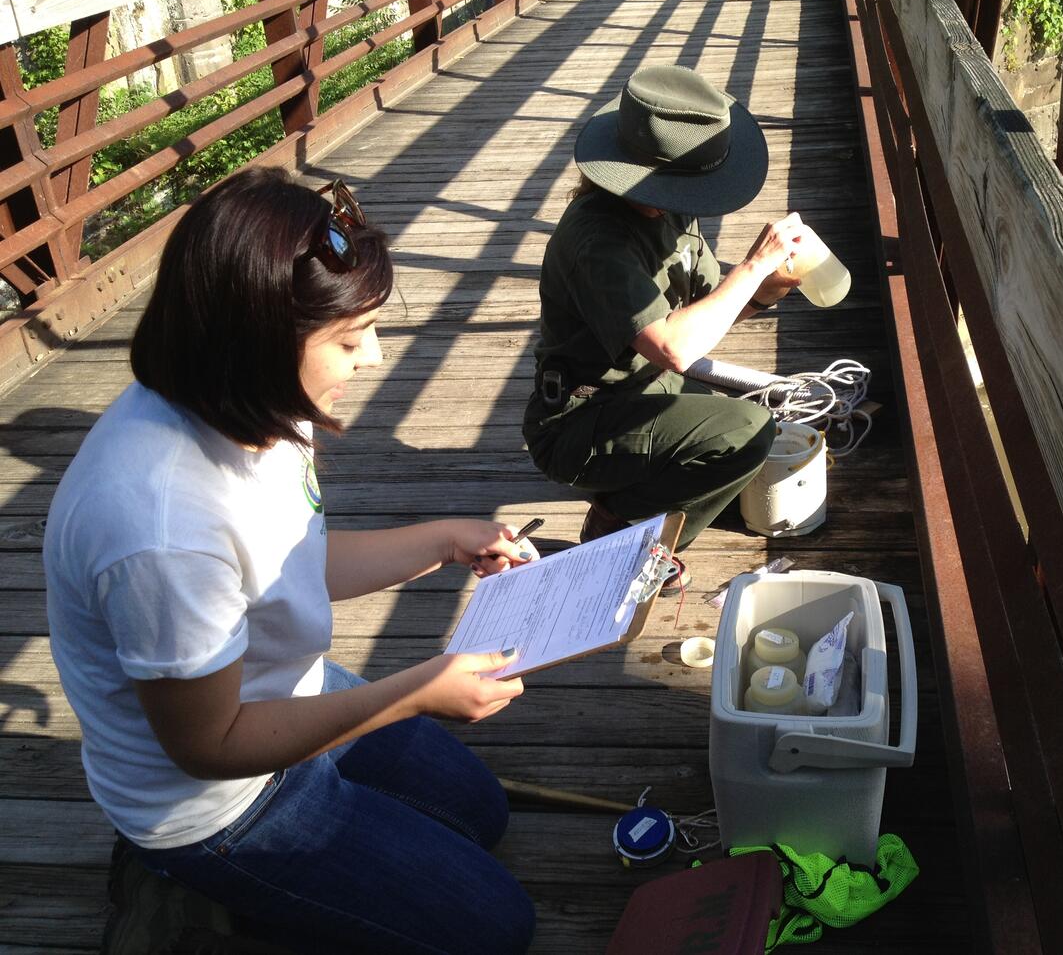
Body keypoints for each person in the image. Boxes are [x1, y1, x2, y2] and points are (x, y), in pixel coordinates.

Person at [44, 168, 537, 954]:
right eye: (348, 340)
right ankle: (178, 886)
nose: (371, 359)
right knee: (497, 929)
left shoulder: (259, 404)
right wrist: (411, 694)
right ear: (257, 340)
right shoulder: (159, 524)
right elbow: (210, 747)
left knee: (479, 813)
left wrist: (445, 539)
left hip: (280, 689)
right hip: (214, 799)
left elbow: (289, 563)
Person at [523, 65, 807, 592]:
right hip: (579, 419)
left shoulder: (668, 210)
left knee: (730, 427)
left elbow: (701, 309)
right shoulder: (598, 239)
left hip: (646, 390)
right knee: (746, 433)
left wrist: (763, 289)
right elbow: (674, 347)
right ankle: (620, 529)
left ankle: (644, 503)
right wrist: (750, 271)